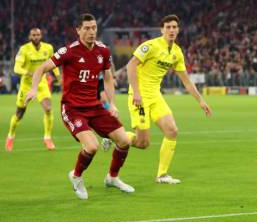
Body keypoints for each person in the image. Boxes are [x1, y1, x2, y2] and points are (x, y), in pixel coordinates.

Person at [25, 14, 134, 200]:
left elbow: (108, 78)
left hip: (95, 107)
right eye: (87, 28)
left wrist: (112, 104)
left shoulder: (103, 51)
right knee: (92, 146)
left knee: (124, 141)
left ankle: (112, 178)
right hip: (72, 108)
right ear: (78, 30)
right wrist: (34, 88)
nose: (91, 32)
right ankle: (76, 176)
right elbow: (41, 68)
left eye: (94, 28)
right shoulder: (69, 51)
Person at [125, 14, 212, 184]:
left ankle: (162, 175)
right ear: (162, 29)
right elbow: (130, 65)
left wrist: (201, 101)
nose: (171, 30)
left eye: (174, 27)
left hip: (155, 96)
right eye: (168, 27)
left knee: (172, 131)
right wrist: (136, 92)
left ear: (178, 30)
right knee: (142, 143)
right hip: (140, 97)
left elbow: (186, 80)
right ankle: (115, 135)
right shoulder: (150, 46)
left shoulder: (177, 53)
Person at [6, 28, 61, 151]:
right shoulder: (24, 49)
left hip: (42, 84)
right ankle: (11, 135)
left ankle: (47, 138)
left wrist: (58, 76)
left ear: (41, 36)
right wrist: (28, 72)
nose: (36, 37)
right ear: (30, 37)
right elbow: (16, 68)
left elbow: (54, 63)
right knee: (19, 114)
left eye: (38, 34)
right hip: (26, 86)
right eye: (33, 35)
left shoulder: (48, 48)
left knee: (48, 109)